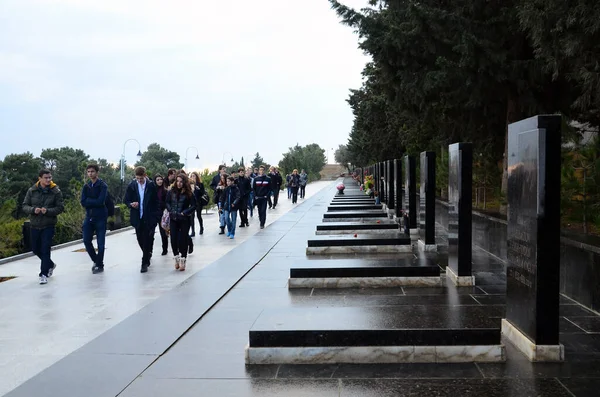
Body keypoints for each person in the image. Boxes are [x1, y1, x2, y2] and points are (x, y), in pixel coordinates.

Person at [22, 169, 65, 284]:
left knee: (45, 249)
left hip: (48, 224)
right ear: (39, 178)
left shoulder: (56, 191)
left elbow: (60, 208)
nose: (48, 180)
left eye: (50, 177)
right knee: (36, 249)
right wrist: (32, 210)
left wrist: (48, 211)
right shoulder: (32, 191)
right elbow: (25, 205)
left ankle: (43, 274)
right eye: (46, 178)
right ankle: (50, 264)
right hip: (35, 224)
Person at [125, 166, 159, 273]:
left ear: (145, 175)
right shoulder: (132, 185)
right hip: (137, 217)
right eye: (137, 178)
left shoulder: (151, 185)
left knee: (148, 239)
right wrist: (131, 204)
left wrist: (155, 217)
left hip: (149, 217)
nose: (139, 181)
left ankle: (144, 263)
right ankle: (147, 253)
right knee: (140, 239)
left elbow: (156, 202)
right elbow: (126, 199)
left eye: (141, 178)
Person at [80, 164, 109, 274]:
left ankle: (99, 265)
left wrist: (89, 201)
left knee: (100, 243)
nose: (90, 173)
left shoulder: (102, 186)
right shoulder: (86, 186)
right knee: (86, 240)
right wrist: (92, 201)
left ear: (97, 172)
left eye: (92, 171)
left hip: (101, 217)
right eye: (88, 172)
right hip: (89, 217)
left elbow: (100, 201)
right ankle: (96, 261)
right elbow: (83, 201)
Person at [166, 173, 196, 270]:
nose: (179, 183)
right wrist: (170, 210)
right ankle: (176, 257)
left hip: (184, 219)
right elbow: (167, 202)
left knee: (183, 239)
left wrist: (185, 212)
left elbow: (194, 205)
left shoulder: (189, 193)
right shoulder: (171, 192)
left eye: (181, 182)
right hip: (173, 218)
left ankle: (183, 258)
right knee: (173, 239)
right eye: (177, 181)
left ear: (184, 182)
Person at [154, 174, 169, 256]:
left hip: (162, 214)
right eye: (157, 180)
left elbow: (167, 203)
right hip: (154, 214)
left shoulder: (165, 191)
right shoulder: (152, 191)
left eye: (161, 179)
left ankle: (165, 249)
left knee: (163, 233)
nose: (159, 181)